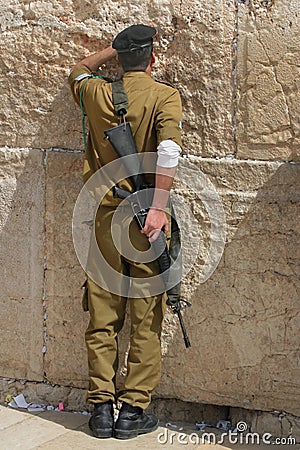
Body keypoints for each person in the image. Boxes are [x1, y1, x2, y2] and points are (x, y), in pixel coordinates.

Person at [68, 24, 182, 440]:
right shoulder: (164, 96)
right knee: (147, 313)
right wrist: (157, 208)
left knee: (102, 310)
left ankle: (100, 409)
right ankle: (132, 410)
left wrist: (107, 52)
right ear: (152, 59)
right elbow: (168, 150)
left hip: (104, 215)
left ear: (121, 59)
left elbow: (77, 71)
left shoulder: (96, 93)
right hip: (144, 219)